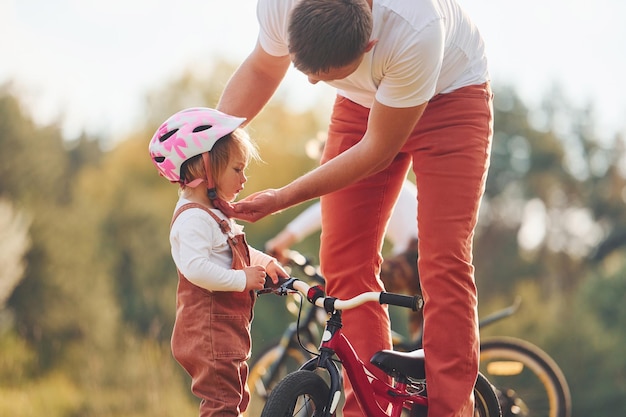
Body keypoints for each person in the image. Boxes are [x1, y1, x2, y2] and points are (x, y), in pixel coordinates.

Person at [217, 1, 494, 416]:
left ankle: (451, 409)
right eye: (304, 68)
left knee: (442, 260)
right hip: (363, 103)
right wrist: (205, 148)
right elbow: (260, 68)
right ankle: (367, 407)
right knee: (343, 258)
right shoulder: (282, 5)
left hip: (451, 98)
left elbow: (376, 152)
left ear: (369, 44)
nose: (311, 82)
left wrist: (282, 198)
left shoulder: (415, 26)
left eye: (324, 75)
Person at [148, 107, 288, 417]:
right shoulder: (193, 220)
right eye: (237, 169)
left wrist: (264, 264)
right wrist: (243, 280)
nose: (244, 178)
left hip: (227, 331)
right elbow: (196, 268)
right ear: (203, 170)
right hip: (209, 333)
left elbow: (234, 251)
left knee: (236, 401)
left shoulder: (213, 213)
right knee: (222, 406)